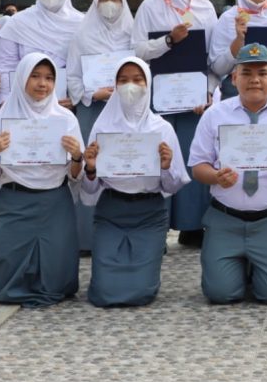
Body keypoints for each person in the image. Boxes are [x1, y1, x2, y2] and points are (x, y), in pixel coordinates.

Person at [187, 43, 267, 304]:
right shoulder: (214, 115)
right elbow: (198, 166)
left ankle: (256, 262)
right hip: (226, 218)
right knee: (221, 294)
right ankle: (242, 265)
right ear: (234, 78)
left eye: (262, 73)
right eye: (246, 73)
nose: (254, 80)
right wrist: (215, 177)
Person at [80, 57, 190, 307]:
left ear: (148, 84)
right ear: (114, 85)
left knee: (142, 292)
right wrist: (90, 169)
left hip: (148, 214)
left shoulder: (162, 129)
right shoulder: (102, 127)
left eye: (138, 79)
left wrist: (164, 167)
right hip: (111, 211)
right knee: (103, 293)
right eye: (123, 80)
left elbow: (172, 187)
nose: (131, 86)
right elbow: (89, 191)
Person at [0, 54, 84, 306]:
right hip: (14, 200)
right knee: (3, 282)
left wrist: (77, 155)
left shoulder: (66, 119)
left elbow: (74, 175)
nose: (42, 84)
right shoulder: (4, 118)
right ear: (22, 79)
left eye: (49, 78)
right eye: (35, 76)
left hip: (54, 201)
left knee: (59, 281)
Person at [132, 0, 219, 248]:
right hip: (160, 98)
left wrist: (208, 91)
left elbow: (213, 58)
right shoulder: (150, 5)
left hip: (195, 102)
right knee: (160, 156)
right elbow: (138, 50)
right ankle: (159, 222)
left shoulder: (206, 8)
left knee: (194, 156)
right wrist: (168, 40)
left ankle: (192, 225)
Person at [66, 0, 134, 254]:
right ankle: (86, 240)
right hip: (92, 112)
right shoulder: (82, 35)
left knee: (125, 166)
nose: (109, 4)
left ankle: (127, 235)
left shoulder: (133, 32)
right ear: (95, 2)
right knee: (90, 169)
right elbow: (72, 78)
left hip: (127, 114)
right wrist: (93, 94)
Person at [0, 0, 84, 107]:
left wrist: (76, 97)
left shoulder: (82, 25)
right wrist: (6, 102)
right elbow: (7, 67)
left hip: (65, 107)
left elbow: (83, 68)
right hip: (21, 106)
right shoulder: (17, 23)